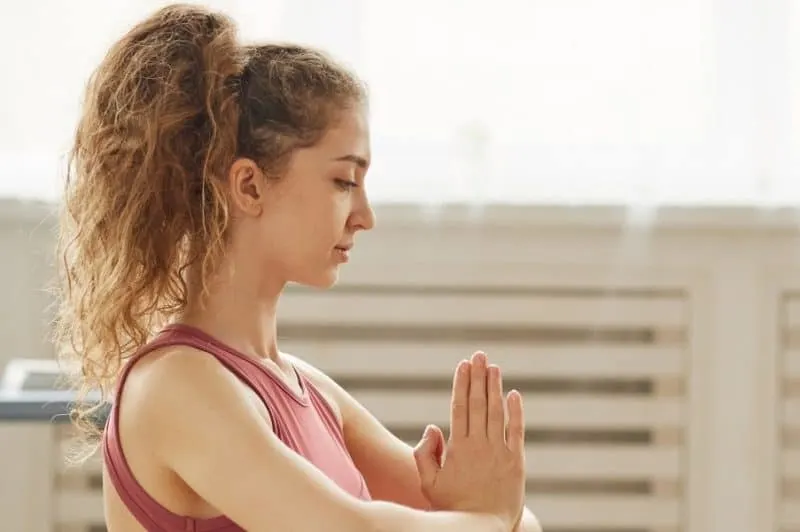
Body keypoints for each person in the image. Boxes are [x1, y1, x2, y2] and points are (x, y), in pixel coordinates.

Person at [54, 4, 541, 531]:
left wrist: (485, 513)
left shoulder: (307, 389)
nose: (365, 216)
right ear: (249, 186)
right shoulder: (174, 387)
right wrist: (490, 514)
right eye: (343, 181)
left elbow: (514, 522)